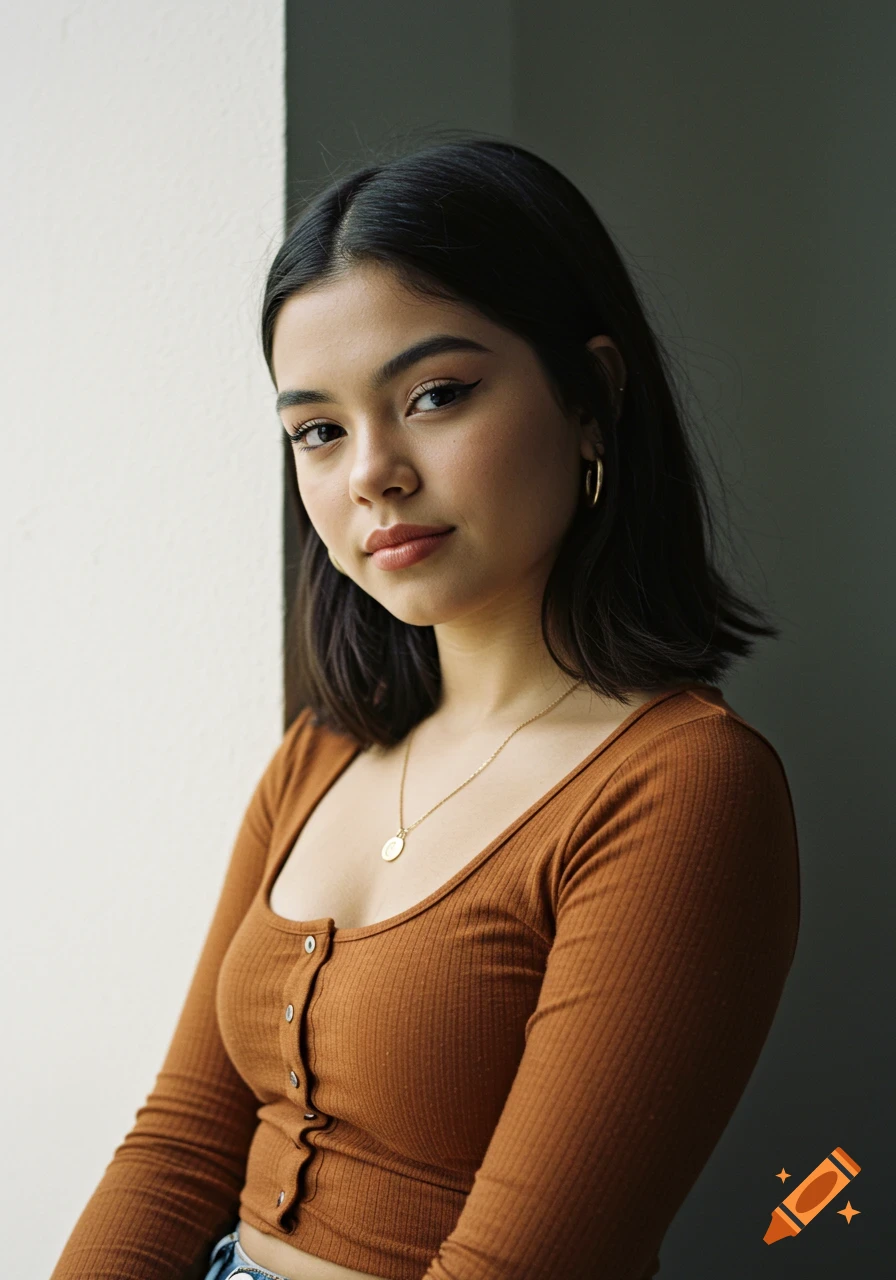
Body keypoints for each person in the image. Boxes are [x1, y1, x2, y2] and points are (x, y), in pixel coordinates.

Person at [50, 133, 800, 1280]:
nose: (371, 472)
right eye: (318, 429)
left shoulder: (681, 787)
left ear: (590, 398)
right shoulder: (322, 749)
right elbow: (180, 1142)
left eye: (435, 395)